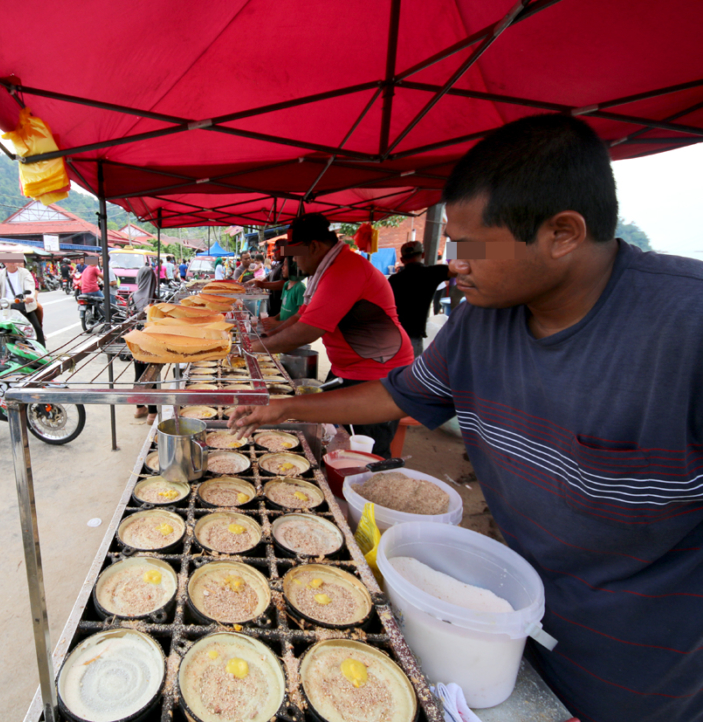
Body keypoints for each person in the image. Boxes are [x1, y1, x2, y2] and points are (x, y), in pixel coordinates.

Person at [230, 113, 703, 722]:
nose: (455, 264)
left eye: (472, 248)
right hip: (498, 608)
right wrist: (286, 407)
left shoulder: (685, 327)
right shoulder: (482, 319)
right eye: (453, 245)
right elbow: (400, 395)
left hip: (637, 666)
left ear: (562, 233)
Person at [253, 213, 413, 457]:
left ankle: (366, 486)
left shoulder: (345, 268)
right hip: (346, 368)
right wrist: (265, 336)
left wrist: (254, 349)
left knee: (367, 448)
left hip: (376, 372)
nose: (294, 261)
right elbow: (300, 317)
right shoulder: (326, 270)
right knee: (334, 433)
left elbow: (307, 331)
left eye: (295, 253)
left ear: (314, 246)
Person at [388, 240, 455, 358]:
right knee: (411, 371)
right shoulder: (433, 273)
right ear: (423, 255)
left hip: (394, 334)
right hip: (414, 334)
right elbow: (458, 269)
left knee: (392, 371)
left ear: (402, 260)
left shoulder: (393, 280)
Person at [0, 254, 45, 346]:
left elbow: (30, 286)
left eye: (14, 261)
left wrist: (29, 296)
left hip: (23, 305)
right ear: (5, 263)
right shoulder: (0, 274)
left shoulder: (25, 272)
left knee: (36, 328)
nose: (13, 263)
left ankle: (43, 353)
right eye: (10, 261)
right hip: (6, 306)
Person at [131, 258, 159, 423]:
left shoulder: (132, 297)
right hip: (150, 343)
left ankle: (139, 407)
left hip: (135, 342)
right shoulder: (155, 300)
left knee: (138, 375)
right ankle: (152, 413)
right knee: (151, 375)